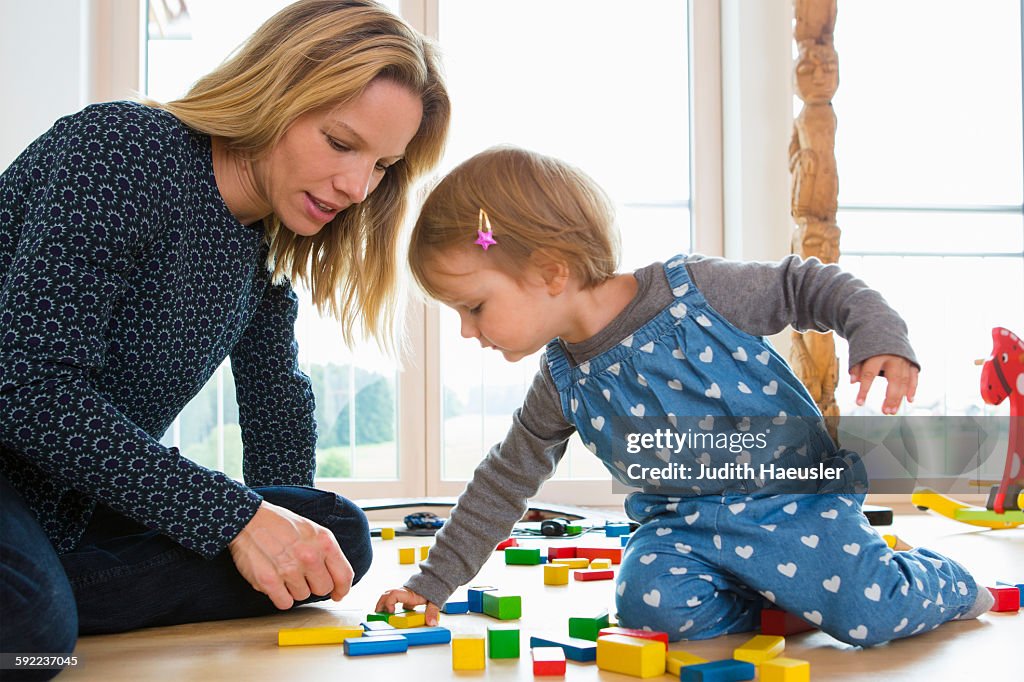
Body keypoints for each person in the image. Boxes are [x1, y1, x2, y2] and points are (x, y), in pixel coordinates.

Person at [376, 146, 994, 647]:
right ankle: (782, 595)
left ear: (550, 271)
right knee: (648, 608)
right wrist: (432, 584)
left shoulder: (695, 293)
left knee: (868, 618)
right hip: (682, 529)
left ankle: (948, 583)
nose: (467, 331)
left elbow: (809, 283)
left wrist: (878, 335)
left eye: (474, 307)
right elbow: (503, 480)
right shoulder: (561, 380)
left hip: (791, 504)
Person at [0, 0, 449, 676]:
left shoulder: (265, 239)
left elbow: (277, 401)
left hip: (69, 499)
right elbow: (29, 390)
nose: (358, 187)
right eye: (340, 142)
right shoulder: (125, 148)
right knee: (30, 632)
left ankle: (44, 582)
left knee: (338, 538)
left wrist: (289, 534)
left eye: (383, 164)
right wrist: (234, 518)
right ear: (276, 93)